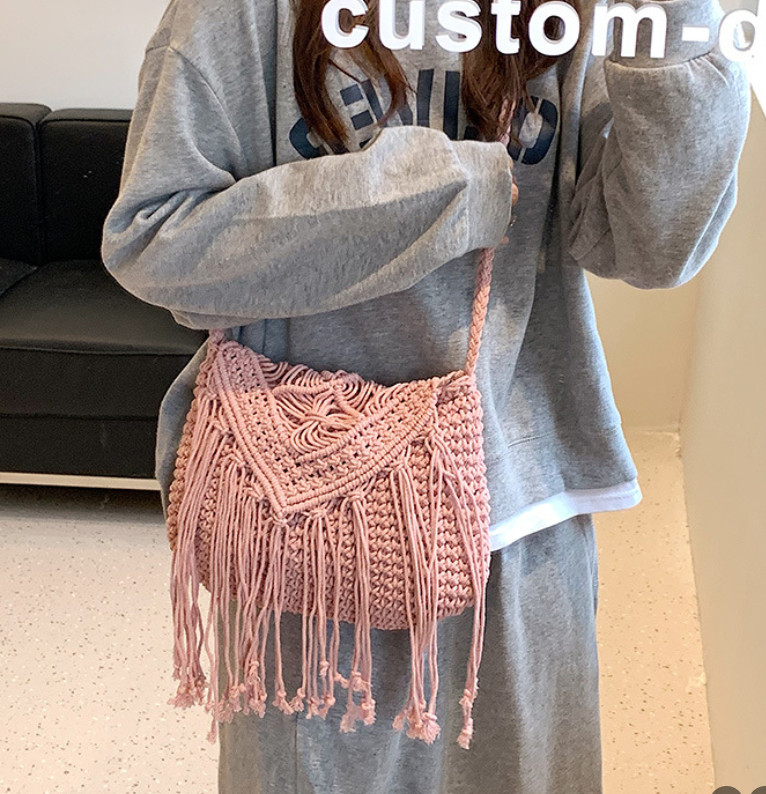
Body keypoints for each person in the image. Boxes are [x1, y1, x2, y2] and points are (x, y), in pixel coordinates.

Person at [100, 0, 751, 789]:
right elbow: (156, 239)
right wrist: (444, 189)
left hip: (518, 515)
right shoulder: (242, 14)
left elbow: (651, 248)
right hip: (308, 515)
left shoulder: (569, 13)